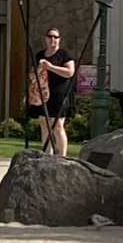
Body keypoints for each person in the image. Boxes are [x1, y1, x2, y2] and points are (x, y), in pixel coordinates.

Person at [30, 27, 77, 156]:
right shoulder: (40, 55)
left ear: (59, 40)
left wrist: (50, 67)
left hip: (60, 94)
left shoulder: (64, 55)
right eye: (50, 36)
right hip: (44, 93)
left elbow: (70, 72)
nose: (52, 39)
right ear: (45, 38)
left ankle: (62, 156)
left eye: (55, 37)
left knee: (57, 125)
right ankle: (47, 154)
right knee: (44, 123)